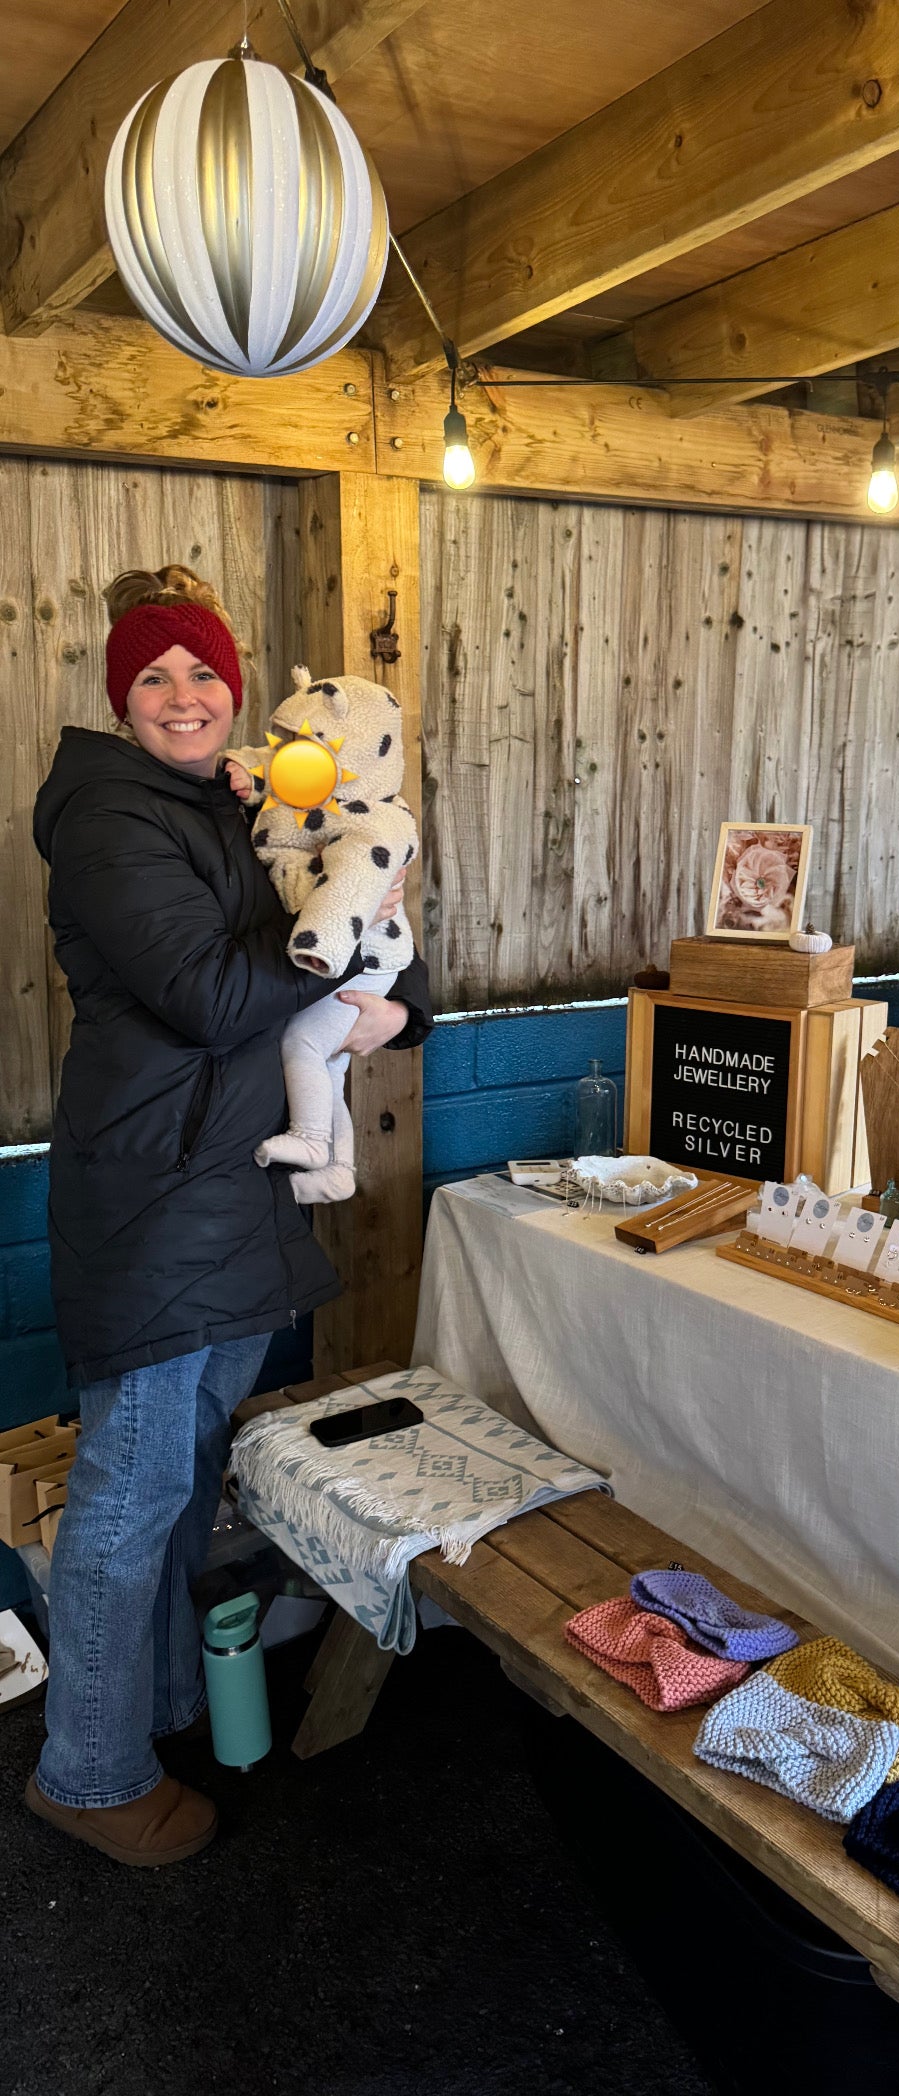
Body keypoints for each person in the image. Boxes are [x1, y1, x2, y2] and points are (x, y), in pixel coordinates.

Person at [25, 566, 431, 1866]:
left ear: (236, 687)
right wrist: (338, 941)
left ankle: (151, 1708)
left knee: (185, 1473)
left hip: (228, 1181)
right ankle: (87, 1773)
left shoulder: (233, 802)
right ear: (120, 698)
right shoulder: (109, 815)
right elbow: (209, 995)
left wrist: (398, 999)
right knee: (133, 1487)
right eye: (154, 676)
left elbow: (358, 922)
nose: (184, 695)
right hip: (157, 1192)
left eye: (203, 671)